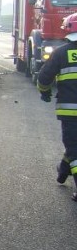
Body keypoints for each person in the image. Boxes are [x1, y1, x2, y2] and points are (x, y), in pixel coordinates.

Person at [37, 12, 77, 202]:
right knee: (73, 145)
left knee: (74, 148)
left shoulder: (60, 53)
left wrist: (44, 92)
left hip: (70, 112)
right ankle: (63, 170)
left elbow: (44, 77)